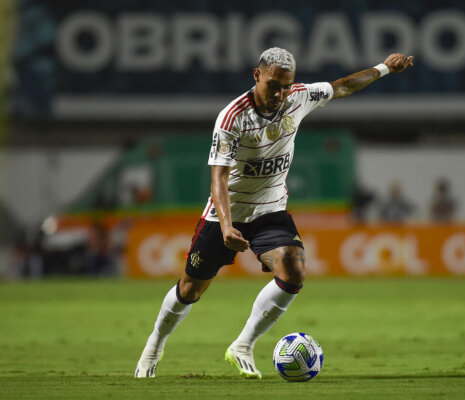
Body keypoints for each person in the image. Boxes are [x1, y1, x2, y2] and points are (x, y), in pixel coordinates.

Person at [134, 48, 414, 379]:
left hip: (270, 210)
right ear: (257, 76)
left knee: (294, 270)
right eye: (273, 85)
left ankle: (242, 345)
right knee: (190, 289)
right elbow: (218, 177)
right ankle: (154, 345)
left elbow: (344, 86)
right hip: (226, 215)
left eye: (285, 85)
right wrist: (225, 226)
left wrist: (383, 68)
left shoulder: (299, 97)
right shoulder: (232, 117)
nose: (279, 93)